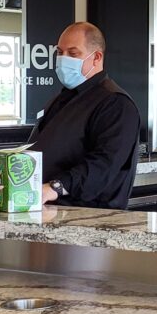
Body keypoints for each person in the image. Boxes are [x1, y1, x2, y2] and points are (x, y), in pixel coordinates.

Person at [29, 22, 142, 208]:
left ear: (96, 57)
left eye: (73, 54)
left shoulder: (116, 104)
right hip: (50, 210)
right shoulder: (61, 99)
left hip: (92, 215)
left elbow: (104, 165)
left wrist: (54, 188)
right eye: (60, 52)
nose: (63, 59)